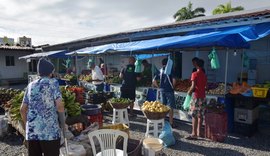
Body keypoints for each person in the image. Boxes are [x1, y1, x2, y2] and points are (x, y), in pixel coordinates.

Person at [20, 58, 65, 156]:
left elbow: (22, 109)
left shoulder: (30, 85)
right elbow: (60, 106)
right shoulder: (53, 83)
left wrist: (28, 125)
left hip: (32, 134)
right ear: (50, 72)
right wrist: (63, 123)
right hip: (50, 133)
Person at [186, 59, 207, 140]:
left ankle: (194, 133)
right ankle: (199, 132)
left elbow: (193, 86)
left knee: (194, 115)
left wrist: (188, 92)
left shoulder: (194, 74)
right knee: (200, 115)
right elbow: (205, 86)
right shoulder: (204, 74)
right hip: (203, 96)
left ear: (196, 64)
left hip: (196, 97)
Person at [153, 58, 176, 127]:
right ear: (168, 63)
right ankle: (171, 123)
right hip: (169, 90)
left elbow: (153, 81)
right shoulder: (171, 70)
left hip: (162, 90)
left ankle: (162, 121)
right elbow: (174, 80)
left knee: (163, 106)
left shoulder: (160, 71)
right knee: (170, 107)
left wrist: (158, 87)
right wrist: (173, 87)